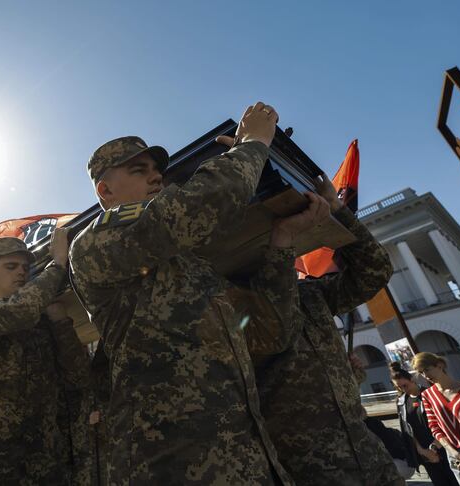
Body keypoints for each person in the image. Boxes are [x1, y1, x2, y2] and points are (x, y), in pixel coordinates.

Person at [69, 102, 325, 484]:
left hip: (249, 463)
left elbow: (271, 333)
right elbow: (200, 204)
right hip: (172, 467)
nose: (156, 178)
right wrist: (253, 143)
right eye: (139, 171)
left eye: (158, 171)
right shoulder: (96, 241)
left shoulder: (193, 268)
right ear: (105, 190)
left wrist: (282, 244)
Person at [254, 176, 403, 485]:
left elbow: (374, 270)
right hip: (310, 473)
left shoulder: (312, 294)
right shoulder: (236, 305)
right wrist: (281, 239)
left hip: (372, 462)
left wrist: (337, 209)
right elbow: (274, 323)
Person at [0, 230, 89, 485]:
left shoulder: (40, 322)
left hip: (46, 464)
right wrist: (57, 264)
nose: (22, 272)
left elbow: (77, 375)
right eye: (11, 266)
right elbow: (19, 311)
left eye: (25, 267)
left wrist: (59, 322)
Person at [390, 361, 458, 485]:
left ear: (411, 379)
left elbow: (444, 421)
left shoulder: (431, 394)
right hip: (424, 453)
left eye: (404, 385)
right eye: (399, 387)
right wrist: (421, 450)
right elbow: (407, 430)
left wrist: (435, 448)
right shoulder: (401, 402)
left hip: (444, 447)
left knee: (456, 481)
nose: (403, 389)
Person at [414, 352, 460, 485]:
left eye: (427, 370)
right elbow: (435, 427)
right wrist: (456, 454)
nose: (425, 376)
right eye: (421, 372)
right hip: (456, 457)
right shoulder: (427, 395)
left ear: (440, 365)